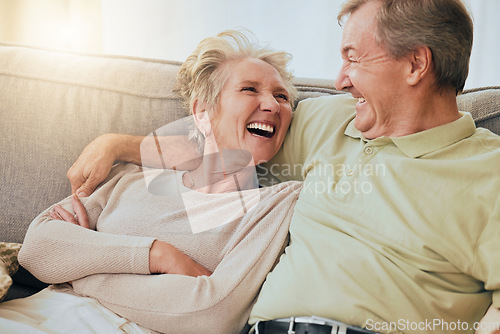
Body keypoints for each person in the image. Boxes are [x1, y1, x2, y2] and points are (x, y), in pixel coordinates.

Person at [66, 1, 500, 334]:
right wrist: (120, 145)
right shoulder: (329, 120)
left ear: (415, 64)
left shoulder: (489, 174)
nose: (340, 79)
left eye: (354, 57)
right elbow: (224, 137)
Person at [0, 30, 303, 333]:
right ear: (202, 113)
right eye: (250, 89)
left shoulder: (276, 206)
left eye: (282, 96)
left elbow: (211, 314)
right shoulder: (130, 177)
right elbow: (38, 248)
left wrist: (78, 271)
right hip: (28, 315)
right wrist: (157, 254)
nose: (273, 105)